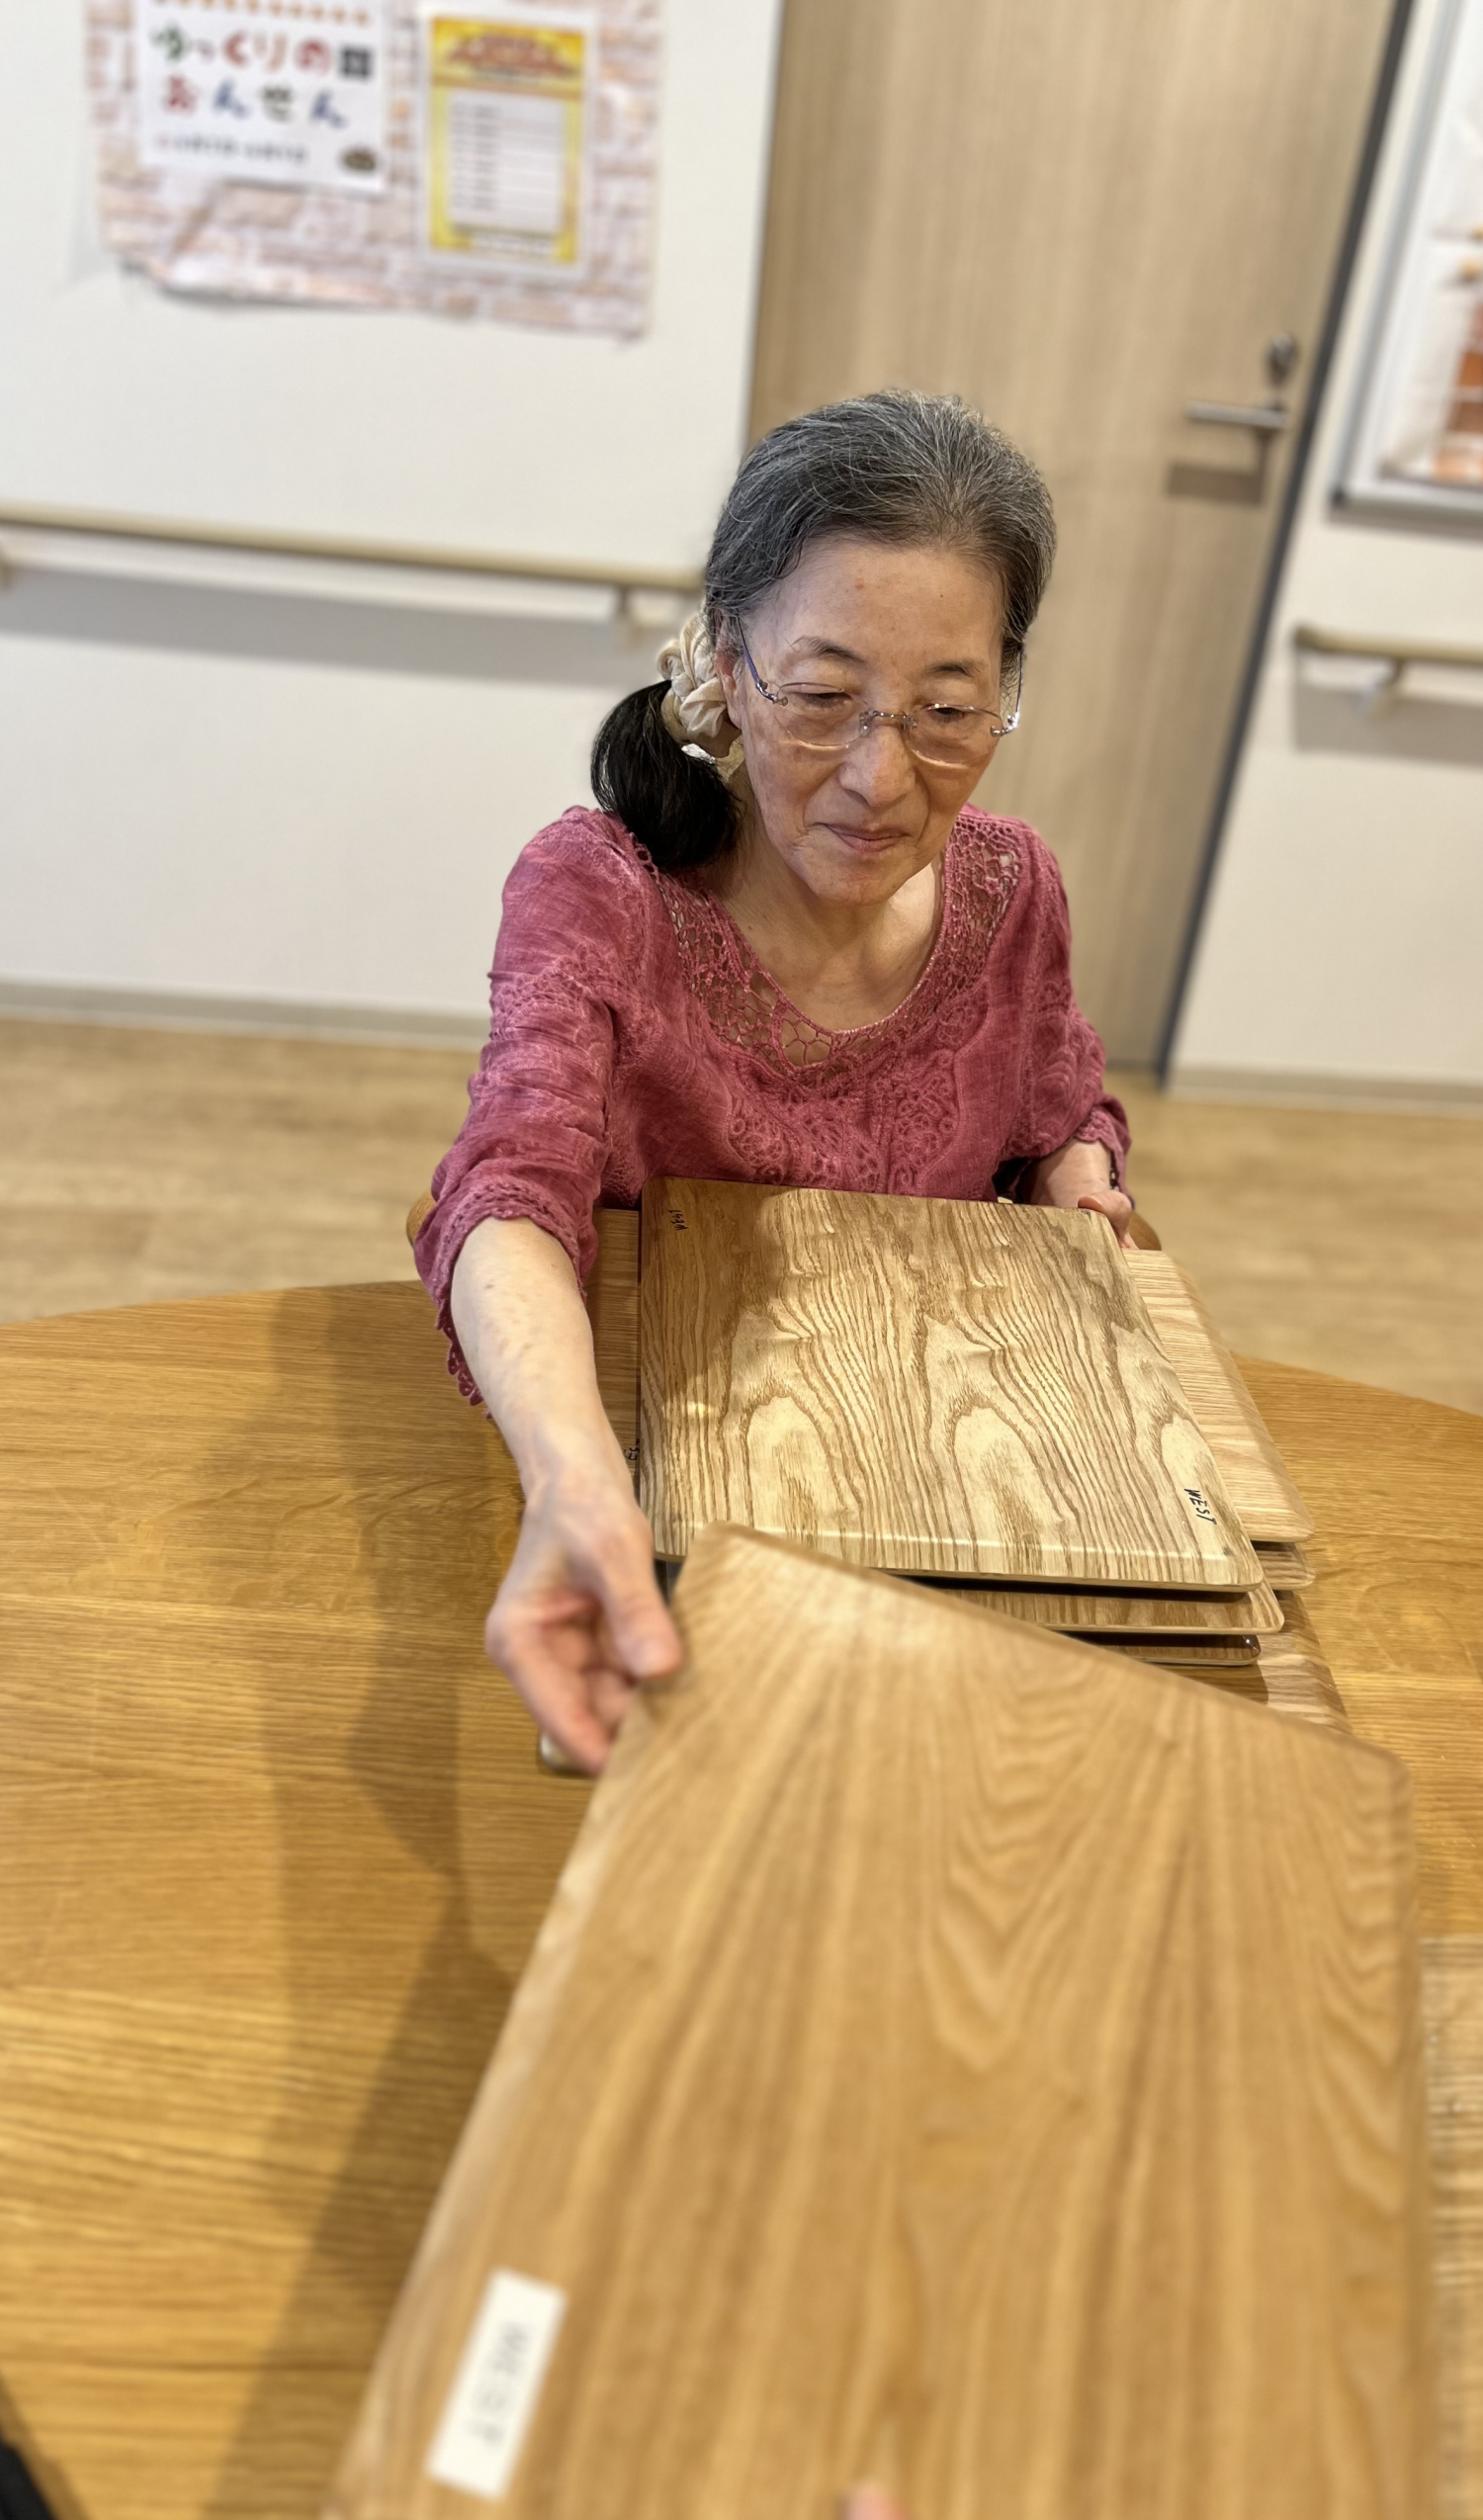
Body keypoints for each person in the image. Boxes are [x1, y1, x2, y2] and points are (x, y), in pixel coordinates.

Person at [414, 390, 1133, 1771]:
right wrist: (571, 1477)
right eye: (821, 700)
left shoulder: (1013, 888)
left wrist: (1076, 1180)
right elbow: (508, 1189)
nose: (880, 778)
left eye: (946, 712)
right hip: (659, 1475)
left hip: (926, 1479)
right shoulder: (604, 890)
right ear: (727, 665)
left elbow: (1058, 1108)